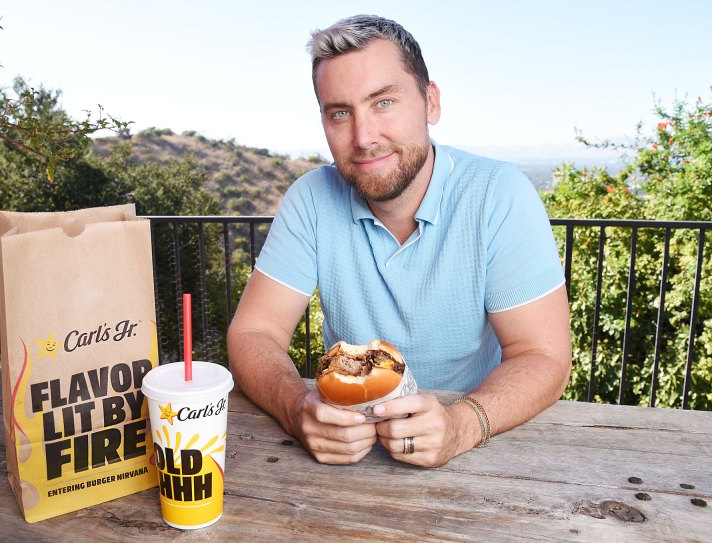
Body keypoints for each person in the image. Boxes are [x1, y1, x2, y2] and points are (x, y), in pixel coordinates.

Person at [227, 14, 571, 468]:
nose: (364, 137)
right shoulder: (310, 198)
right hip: (347, 452)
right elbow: (253, 332)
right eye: (340, 112)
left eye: (383, 102)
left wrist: (462, 425)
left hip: (481, 444)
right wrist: (295, 408)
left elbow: (544, 356)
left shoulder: (497, 193)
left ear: (430, 102)